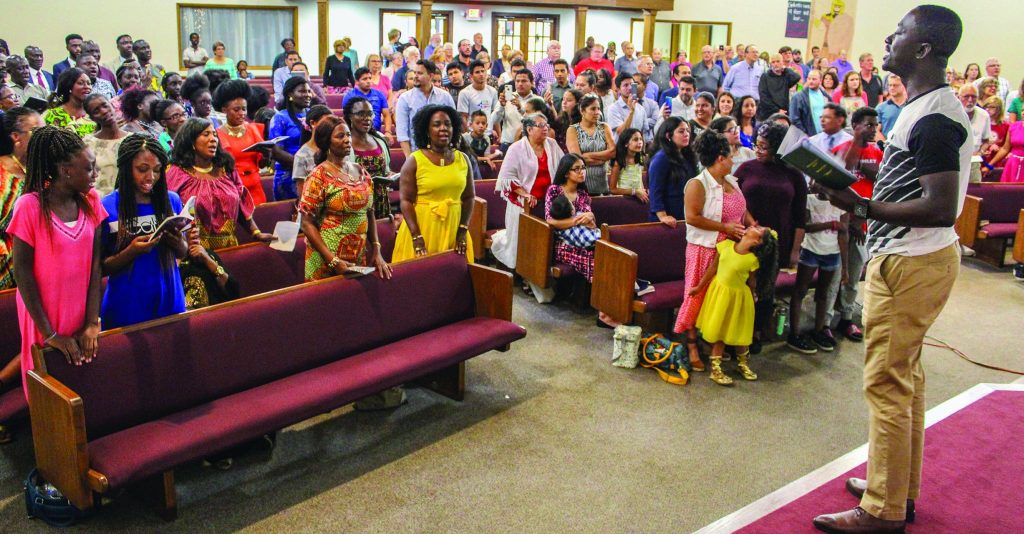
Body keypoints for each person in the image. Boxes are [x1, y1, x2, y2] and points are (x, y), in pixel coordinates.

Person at [811, 7, 971, 532]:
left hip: (911, 260)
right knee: (906, 380)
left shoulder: (934, 116)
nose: (888, 38)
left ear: (923, 49)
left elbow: (940, 205)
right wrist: (861, 178)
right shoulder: (920, 107)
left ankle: (882, 508)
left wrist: (861, 207)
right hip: (915, 257)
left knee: (886, 382)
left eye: (900, 32)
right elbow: (915, 172)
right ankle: (896, 485)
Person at [9, 126, 105, 396]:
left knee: (86, 376)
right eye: (89, 169)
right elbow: (23, 273)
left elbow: (95, 265)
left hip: (81, 306)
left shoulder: (91, 201)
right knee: (50, 385)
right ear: (66, 171)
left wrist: (91, 322)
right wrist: (50, 334)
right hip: (45, 312)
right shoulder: (30, 206)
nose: (95, 175)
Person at [673, 129, 754, 371]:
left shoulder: (731, 181)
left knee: (719, 300)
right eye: (730, 155)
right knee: (697, 295)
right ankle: (691, 345)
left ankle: (712, 341)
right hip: (705, 248)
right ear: (720, 158)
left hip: (729, 250)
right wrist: (725, 227)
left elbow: (742, 210)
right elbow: (692, 217)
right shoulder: (698, 184)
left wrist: (752, 225)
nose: (733, 159)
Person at [99, 133, 187, 329]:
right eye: (142, 169)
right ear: (125, 168)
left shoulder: (170, 200)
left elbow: (183, 252)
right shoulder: (107, 206)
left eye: (157, 170)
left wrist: (178, 242)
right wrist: (132, 251)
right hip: (128, 301)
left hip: (169, 295)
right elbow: (101, 268)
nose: (151, 177)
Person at [299, 118, 390, 281]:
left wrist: (376, 249)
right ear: (327, 142)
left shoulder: (360, 171)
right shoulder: (318, 176)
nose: (347, 139)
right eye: (340, 136)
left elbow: (369, 213)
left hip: (357, 254)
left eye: (348, 134)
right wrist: (332, 260)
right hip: (326, 258)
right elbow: (306, 223)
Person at [166, 118, 273, 249]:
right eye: (206, 135)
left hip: (228, 246)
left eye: (215, 135)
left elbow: (240, 205)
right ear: (191, 141)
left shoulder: (226, 168)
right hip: (194, 250)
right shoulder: (176, 172)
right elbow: (169, 212)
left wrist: (256, 233)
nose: (213, 139)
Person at [391, 105, 474, 263]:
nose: (443, 128)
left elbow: (469, 197)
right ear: (427, 131)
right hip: (423, 227)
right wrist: (416, 236)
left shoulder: (463, 159)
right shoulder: (415, 160)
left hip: (454, 227)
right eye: (437, 124)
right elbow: (406, 201)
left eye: (447, 124)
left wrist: (463, 229)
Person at [689, 225, 771, 385]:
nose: (754, 225)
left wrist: (754, 294)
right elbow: (713, 269)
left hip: (739, 299)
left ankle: (743, 364)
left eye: (759, 229)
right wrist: (699, 287)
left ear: (757, 240)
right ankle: (716, 368)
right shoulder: (725, 246)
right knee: (720, 332)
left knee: (740, 334)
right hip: (721, 296)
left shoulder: (752, 260)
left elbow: (752, 281)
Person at [490, 112, 563, 270]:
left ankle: (541, 273)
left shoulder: (552, 145)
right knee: (526, 243)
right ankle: (524, 272)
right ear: (529, 130)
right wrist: (526, 194)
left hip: (549, 203)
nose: (545, 129)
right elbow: (507, 178)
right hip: (525, 203)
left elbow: (563, 169)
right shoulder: (516, 148)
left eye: (547, 125)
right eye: (541, 125)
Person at [544, 154, 601, 293]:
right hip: (563, 243)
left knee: (606, 254)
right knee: (594, 260)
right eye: (577, 169)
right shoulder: (555, 190)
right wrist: (576, 220)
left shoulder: (583, 194)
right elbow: (550, 221)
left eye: (583, 168)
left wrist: (591, 216)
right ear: (566, 173)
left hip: (583, 240)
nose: (582, 171)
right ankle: (603, 305)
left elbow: (590, 222)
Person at [0, 107, 41, 289]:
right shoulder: (2, 172)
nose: (44, 136)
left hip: (41, 261)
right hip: (7, 264)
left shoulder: (44, 169)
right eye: (37, 131)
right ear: (16, 136)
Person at [214, 80, 266, 206]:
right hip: (232, 190)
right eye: (236, 110)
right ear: (224, 110)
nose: (242, 113)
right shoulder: (217, 134)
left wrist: (267, 154)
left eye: (244, 109)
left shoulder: (253, 129)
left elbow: (263, 163)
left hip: (256, 188)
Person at [343, 99, 393, 219]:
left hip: (381, 198)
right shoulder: (345, 143)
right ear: (350, 116)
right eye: (361, 114)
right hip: (357, 201)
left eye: (370, 114)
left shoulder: (379, 140)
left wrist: (391, 176)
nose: (367, 118)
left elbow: (386, 170)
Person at [395, 60, 455, 156]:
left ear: (430, 76)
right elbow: (402, 134)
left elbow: (454, 126)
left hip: (442, 153)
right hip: (417, 154)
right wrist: (409, 158)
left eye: (420, 73)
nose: (415, 76)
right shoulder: (405, 98)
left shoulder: (445, 97)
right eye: (415, 73)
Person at [268, 76, 312, 200]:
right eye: (302, 91)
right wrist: (302, 166)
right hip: (288, 175)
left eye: (308, 91)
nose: (307, 95)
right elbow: (276, 151)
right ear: (290, 94)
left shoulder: (312, 114)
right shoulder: (280, 118)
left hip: (313, 173)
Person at [648, 116, 698, 226]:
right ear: (668, 135)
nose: (686, 134)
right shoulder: (661, 158)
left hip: (685, 214)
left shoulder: (687, 155)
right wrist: (663, 216)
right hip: (667, 219)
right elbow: (655, 190)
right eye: (681, 131)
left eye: (687, 131)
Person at [566, 93, 615, 196]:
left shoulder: (604, 127)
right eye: (593, 109)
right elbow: (577, 159)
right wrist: (603, 159)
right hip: (582, 185)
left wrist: (588, 156)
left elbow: (613, 152)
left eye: (598, 109)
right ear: (582, 111)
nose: (597, 112)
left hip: (602, 184)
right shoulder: (573, 130)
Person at [82, 93, 128, 195]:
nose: (103, 111)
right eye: (96, 111)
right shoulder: (87, 143)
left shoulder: (132, 139)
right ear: (92, 118)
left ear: (112, 105)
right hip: (98, 202)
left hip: (126, 200)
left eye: (105, 105)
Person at [290, 105, 335, 196]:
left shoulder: (333, 148)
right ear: (313, 123)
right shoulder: (302, 155)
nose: (329, 127)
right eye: (325, 123)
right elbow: (302, 191)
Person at [43, 68, 96, 137]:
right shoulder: (54, 115)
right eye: (81, 83)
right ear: (69, 86)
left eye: (89, 83)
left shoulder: (94, 113)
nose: (87, 87)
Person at [492, 69, 536, 153]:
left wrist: (520, 108)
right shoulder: (506, 98)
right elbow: (494, 121)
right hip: (507, 146)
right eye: (517, 81)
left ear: (531, 82)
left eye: (524, 81)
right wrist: (501, 106)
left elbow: (536, 123)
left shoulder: (537, 100)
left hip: (531, 146)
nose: (520, 84)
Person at [343, 67, 393, 138]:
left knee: (385, 143)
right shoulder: (349, 95)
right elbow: (346, 117)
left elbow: (386, 115)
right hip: (355, 134)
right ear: (357, 82)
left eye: (370, 78)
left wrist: (388, 132)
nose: (369, 81)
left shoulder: (379, 94)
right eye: (364, 79)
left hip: (376, 132)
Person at [607, 73, 653, 142]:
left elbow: (644, 134)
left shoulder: (640, 109)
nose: (630, 88)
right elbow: (621, 133)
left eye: (632, 85)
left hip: (637, 150)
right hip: (620, 150)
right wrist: (631, 112)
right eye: (625, 85)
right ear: (618, 89)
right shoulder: (613, 109)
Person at [756, 54, 801, 121]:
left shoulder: (785, 75)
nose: (776, 64)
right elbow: (763, 96)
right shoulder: (765, 76)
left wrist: (786, 69)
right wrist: (777, 110)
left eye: (778, 61)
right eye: (773, 62)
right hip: (768, 113)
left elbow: (797, 77)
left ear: (782, 62)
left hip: (784, 112)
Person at [608, 128, 646, 201]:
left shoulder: (640, 159)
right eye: (635, 140)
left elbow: (639, 182)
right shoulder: (619, 162)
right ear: (626, 143)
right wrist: (634, 191)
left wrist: (642, 191)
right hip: (624, 200)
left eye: (641, 139)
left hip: (639, 198)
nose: (640, 142)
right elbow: (612, 189)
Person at [457, 60, 499, 127]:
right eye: (477, 72)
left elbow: (495, 116)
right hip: (471, 134)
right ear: (471, 76)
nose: (481, 74)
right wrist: (467, 135)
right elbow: (463, 118)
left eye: (483, 71)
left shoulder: (493, 91)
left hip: (488, 133)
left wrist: (499, 134)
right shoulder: (464, 93)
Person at [790, 70, 831, 135]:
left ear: (820, 80)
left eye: (814, 79)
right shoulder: (798, 97)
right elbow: (794, 119)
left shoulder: (826, 96)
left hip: (824, 135)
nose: (811, 81)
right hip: (808, 137)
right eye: (809, 79)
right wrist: (806, 132)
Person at [988, 116, 1024, 182]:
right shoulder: (1014, 126)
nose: (1023, 113)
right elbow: (1005, 149)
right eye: (1022, 110)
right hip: (1012, 165)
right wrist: (989, 165)